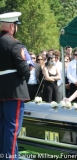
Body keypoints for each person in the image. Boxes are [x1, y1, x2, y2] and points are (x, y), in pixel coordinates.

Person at [0, 12, 30, 159]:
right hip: (14, 91)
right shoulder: (14, 43)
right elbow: (24, 69)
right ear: (12, 26)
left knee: (3, 128)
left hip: (1, 92)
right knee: (12, 129)